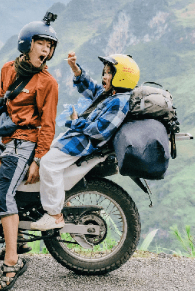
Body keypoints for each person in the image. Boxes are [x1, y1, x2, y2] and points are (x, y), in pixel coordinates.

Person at [0, 18, 58, 291]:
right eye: (41, 42)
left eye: (49, 45)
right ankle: (13, 240)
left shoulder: (47, 83)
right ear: (26, 44)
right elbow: (3, 93)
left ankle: (11, 261)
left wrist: (38, 159)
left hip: (26, 143)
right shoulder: (9, 68)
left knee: (3, 193)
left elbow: (48, 124)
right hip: (8, 139)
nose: (46, 49)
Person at [29, 52, 139, 231]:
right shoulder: (110, 95)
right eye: (104, 72)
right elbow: (91, 89)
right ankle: (56, 202)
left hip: (82, 143)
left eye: (109, 73)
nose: (104, 76)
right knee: (40, 152)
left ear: (122, 77)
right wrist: (75, 69)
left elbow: (101, 131)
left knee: (48, 164)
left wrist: (77, 121)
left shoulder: (120, 101)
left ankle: (54, 216)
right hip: (76, 137)